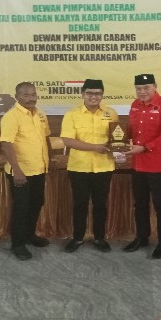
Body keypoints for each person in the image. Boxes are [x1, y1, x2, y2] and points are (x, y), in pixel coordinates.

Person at [123, 74, 161, 259]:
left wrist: (145, 147)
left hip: (158, 165)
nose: (142, 91)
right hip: (137, 165)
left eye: (146, 87)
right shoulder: (134, 105)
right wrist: (120, 142)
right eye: (138, 88)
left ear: (155, 86)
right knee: (140, 204)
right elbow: (131, 131)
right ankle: (142, 237)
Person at [60, 79, 118, 253]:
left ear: (102, 95)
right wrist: (95, 147)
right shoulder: (72, 114)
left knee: (100, 204)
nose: (94, 96)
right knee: (80, 204)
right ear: (83, 94)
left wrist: (119, 147)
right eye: (90, 93)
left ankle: (100, 238)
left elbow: (116, 138)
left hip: (104, 167)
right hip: (79, 167)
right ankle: (78, 238)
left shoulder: (111, 113)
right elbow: (68, 140)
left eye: (98, 93)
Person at [0, 82, 51, 261]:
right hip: (21, 171)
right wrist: (17, 171)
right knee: (21, 208)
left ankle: (30, 235)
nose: (30, 98)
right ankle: (18, 244)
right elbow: (6, 145)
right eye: (26, 95)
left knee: (36, 203)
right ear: (17, 97)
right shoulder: (11, 117)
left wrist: (50, 161)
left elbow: (46, 139)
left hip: (39, 169)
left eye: (33, 94)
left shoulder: (40, 114)